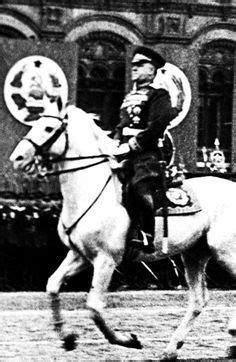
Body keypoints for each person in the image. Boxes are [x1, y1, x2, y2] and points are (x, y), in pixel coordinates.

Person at [113, 46, 182, 253]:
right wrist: (114, 141)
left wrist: (133, 144)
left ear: (152, 70)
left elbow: (158, 125)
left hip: (146, 155)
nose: (134, 68)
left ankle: (147, 232)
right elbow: (122, 124)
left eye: (140, 64)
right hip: (124, 153)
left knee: (138, 187)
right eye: (133, 64)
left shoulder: (159, 95)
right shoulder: (129, 97)